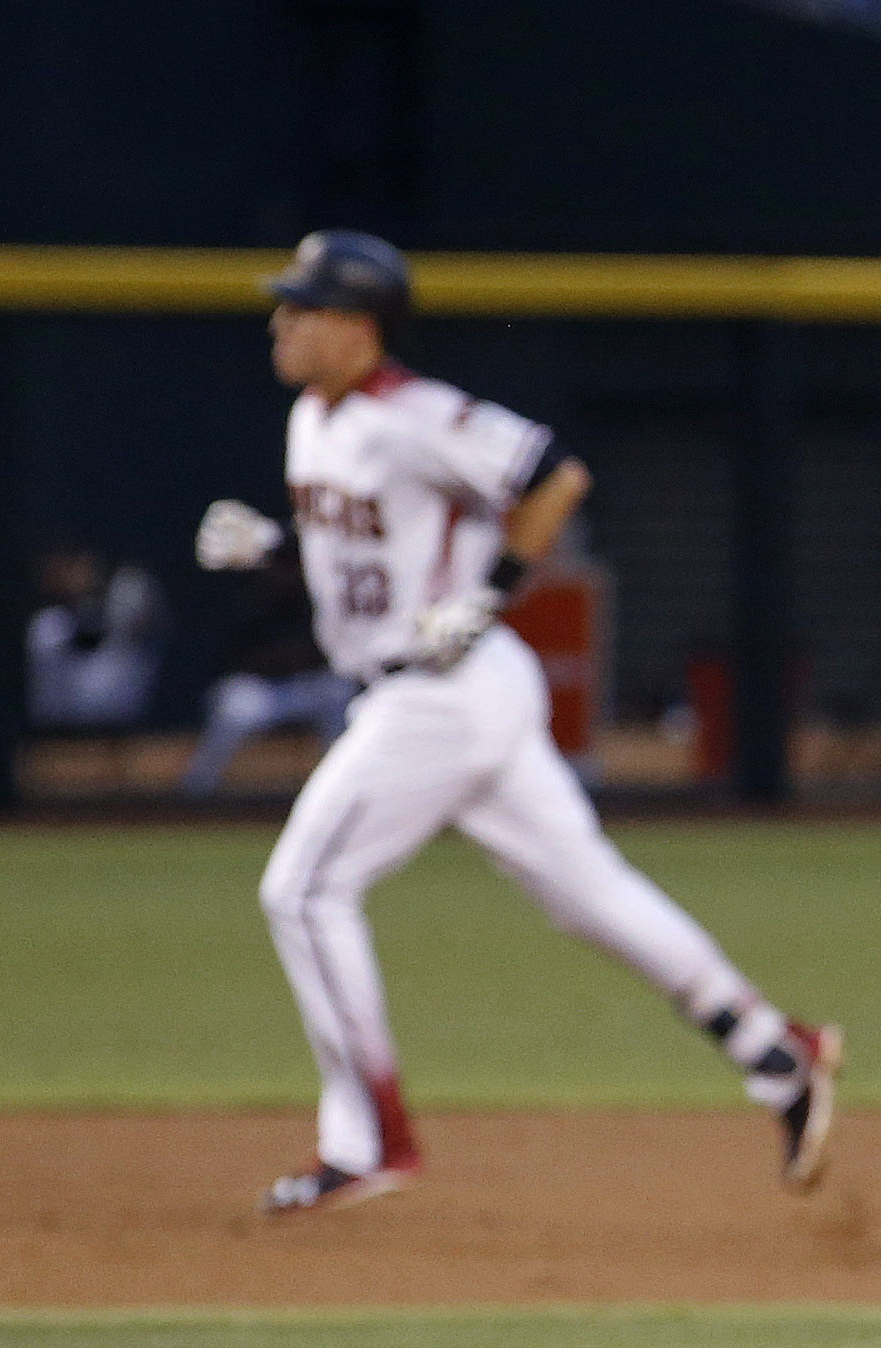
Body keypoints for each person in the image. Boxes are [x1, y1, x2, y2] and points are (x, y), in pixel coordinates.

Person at [204, 230, 841, 1214]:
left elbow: (555, 476)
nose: (280, 321)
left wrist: (494, 589)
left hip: (441, 690)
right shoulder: (309, 421)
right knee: (587, 892)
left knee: (302, 890)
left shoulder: (416, 413)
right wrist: (275, 549)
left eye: (304, 306)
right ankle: (774, 1050)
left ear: (360, 326)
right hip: (438, 689)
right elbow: (367, 559)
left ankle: (371, 1139)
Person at [179, 542, 355, 794]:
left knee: (339, 691)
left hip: (304, 687)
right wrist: (274, 662)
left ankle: (342, 785)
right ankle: (197, 789)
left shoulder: (315, 601)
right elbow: (231, 658)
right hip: (265, 691)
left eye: (291, 566)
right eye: (280, 566)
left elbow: (335, 652)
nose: (286, 573)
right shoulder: (254, 602)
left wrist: (301, 659)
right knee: (232, 703)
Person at [25, 542, 165, 732]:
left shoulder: (121, 605)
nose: (74, 575)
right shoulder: (48, 625)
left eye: (78, 566)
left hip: (125, 727)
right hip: (57, 732)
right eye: (62, 568)